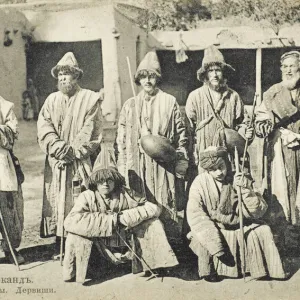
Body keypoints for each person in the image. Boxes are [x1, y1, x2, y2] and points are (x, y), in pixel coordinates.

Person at [63, 148, 178, 283]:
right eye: (101, 180)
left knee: (153, 223)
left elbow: (153, 208)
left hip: (127, 246)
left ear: (116, 180)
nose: (105, 183)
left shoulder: (126, 193)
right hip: (101, 249)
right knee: (75, 234)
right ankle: (74, 272)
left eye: (109, 179)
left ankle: (153, 264)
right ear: (94, 181)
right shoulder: (86, 196)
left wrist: (125, 217)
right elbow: (70, 222)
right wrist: (111, 220)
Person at [116, 52, 188, 240]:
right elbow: (121, 140)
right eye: (144, 76)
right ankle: (144, 252)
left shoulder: (169, 102)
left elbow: (181, 136)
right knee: (140, 206)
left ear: (157, 78)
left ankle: (172, 251)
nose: (147, 80)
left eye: (152, 76)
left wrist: (181, 160)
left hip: (163, 166)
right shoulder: (130, 105)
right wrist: (123, 166)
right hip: (138, 166)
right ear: (138, 79)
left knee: (165, 203)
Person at [186, 146, 286, 281]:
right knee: (202, 235)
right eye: (213, 170)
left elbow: (258, 212)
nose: (219, 172)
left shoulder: (238, 177)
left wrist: (245, 189)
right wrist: (215, 243)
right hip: (215, 226)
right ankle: (211, 271)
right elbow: (196, 214)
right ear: (207, 170)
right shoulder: (200, 182)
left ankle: (259, 269)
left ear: (226, 163)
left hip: (240, 222)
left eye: (221, 167)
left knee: (263, 230)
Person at [37, 52, 102, 252]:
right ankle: (61, 243)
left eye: (68, 74)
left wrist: (71, 152)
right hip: (57, 161)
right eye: (60, 75)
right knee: (58, 199)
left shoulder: (90, 98)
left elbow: (90, 129)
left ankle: (84, 242)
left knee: (80, 199)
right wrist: (57, 148)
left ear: (76, 76)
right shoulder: (51, 100)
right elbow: (44, 126)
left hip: (79, 161)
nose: (63, 78)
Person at [255, 50, 300, 252]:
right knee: (282, 192)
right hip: (281, 149)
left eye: (293, 65)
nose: (289, 70)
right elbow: (261, 120)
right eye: (285, 66)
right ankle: (283, 240)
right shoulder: (272, 93)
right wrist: (263, 125)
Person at [185, 45, 253, 175]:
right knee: (206, 189)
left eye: (218, 70)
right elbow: (189, 129)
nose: (215, 75)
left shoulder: (233, 97)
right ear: (205, 74)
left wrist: (246, 133)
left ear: (224, 72)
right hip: (205, 154)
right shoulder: (195, 97)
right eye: (210, 71)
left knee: (228, 190)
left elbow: (242, 124)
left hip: (228, 155)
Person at [0, 96, 24, 264]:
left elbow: (13, 129)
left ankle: (10, 247)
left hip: (1, 160)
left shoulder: (2, 103)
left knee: (7, 205)